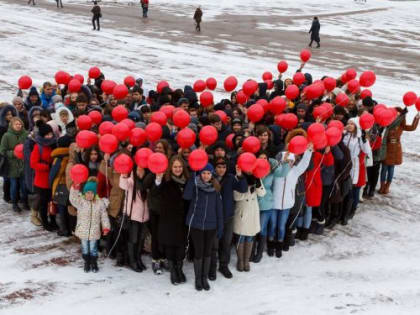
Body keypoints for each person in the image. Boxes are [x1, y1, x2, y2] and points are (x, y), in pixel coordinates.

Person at [183, 163, 223, 291]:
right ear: (200, 174)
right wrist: (192, 178)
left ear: (212, 175)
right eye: (204, 173)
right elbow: (186, 196)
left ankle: (204, 278)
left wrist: (220, 226)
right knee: (199, 252)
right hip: (197, 225)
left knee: (207, 252)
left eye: (208, 173)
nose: (206, 175)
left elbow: (219, 209)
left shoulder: (216, 189)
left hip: (211, 226)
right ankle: (198, 279)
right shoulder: (195, 186)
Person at [153, 155, 189, 285]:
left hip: (182, 219)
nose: (178, 169)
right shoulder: (165, 180)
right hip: (168, 219)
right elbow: (155, 193)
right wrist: (158, 180)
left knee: (180, 246)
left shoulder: (188, 180)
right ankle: (173, 271)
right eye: (175, 167)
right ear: (170, 168)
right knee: (170, 246)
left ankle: (179, 269)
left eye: (180, 166)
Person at [210, 158, 247, 280]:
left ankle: (223, 265)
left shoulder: (231, 178)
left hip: (228, 217)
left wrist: (240, 176)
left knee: (226, 243)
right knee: (214, 245)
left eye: (224, 167)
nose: (221, 169)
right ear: (215, 168)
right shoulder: (210, 178)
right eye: (219, 167)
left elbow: (243, 189)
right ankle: (212, 267)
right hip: (214, 218)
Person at [70, 177, 110, 273]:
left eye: (91, 193)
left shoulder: (99, 203)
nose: (89, 195)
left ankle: (94, 262)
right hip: (83, 230)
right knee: (85, 248)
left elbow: (104, 216)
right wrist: (74, 188)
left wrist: (106, 227)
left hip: (94, 231)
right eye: (87, 193)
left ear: (95, 194)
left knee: (93, 248)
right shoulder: (81, 202)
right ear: (84, 193)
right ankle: (87, 262)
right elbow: (73, 199)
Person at [378, 108, 419, 194]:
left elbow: (412, 127)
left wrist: (416, 117)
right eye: (396, 113)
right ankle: (382, 186)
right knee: (384, 168)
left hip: (396, 148)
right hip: (386, 147)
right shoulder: (387, 123)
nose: (397, 114)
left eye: (399, 113)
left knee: (391, 168)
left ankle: (387, 186)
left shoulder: (401, 125)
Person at [120, 165, 150, 273]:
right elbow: (123, 185)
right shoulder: (131, 180)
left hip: (145, 216)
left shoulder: (147, 181)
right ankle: (132, 261)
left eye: (142, 169)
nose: (140, 171)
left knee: (141, 239)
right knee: (133, 239)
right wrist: (123, 174)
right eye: (138, 169)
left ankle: (138, 258)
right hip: (133, 216)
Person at [30, 121, 58, 231]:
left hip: (53, 178)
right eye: (47, 135)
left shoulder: (55, 144)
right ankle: (45, 222)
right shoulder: (38, 147)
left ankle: (53, 220)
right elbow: (33, 163)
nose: (49, 136)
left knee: (53, 201)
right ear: (42, 136)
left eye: (50, 134)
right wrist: (46, 167)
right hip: (42, 180)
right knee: (43, 203)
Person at [0, 117, 28, 212]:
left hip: (23, 164)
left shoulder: (26, 134)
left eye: (20, 124)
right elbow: (2, 150)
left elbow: (30, 146)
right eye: (16, 124)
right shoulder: (6, 136)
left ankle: (24, 201)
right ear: (12, 125)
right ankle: (15, 203)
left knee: (24, 185)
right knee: (14, 185)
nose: (19, 126)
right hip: (12, 165)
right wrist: (14, 153)